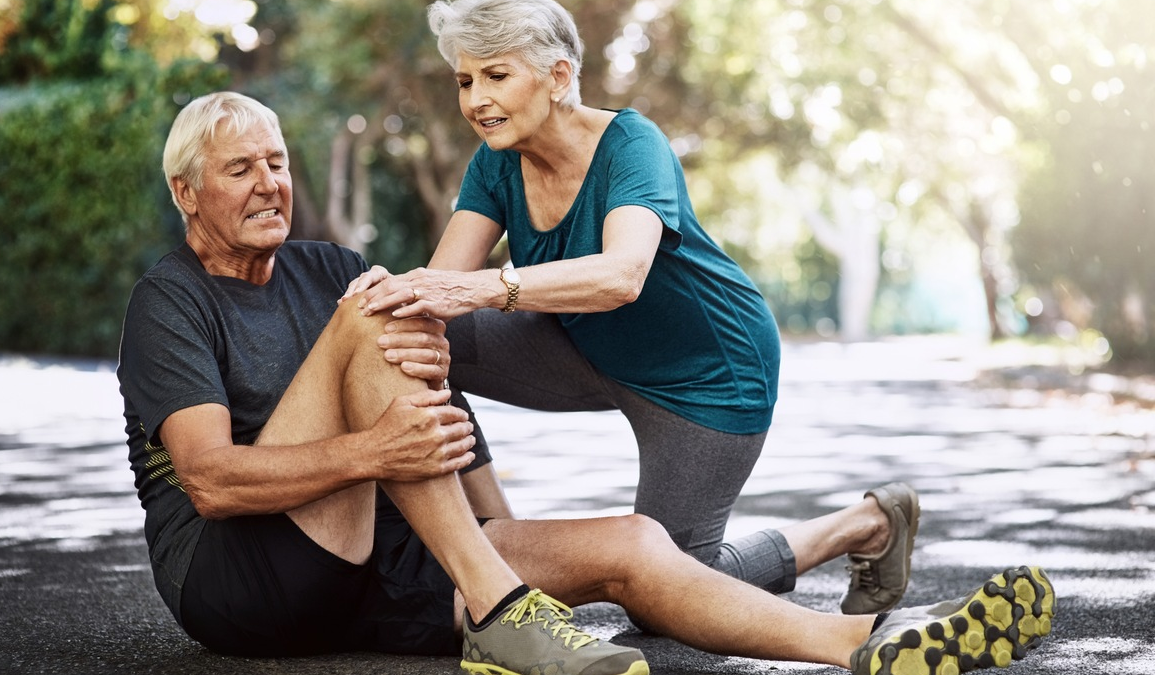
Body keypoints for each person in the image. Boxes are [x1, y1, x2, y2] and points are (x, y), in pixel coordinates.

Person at [118, 91, 1056, 675]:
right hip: (240, 582)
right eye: (239, 169)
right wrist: (374, 454)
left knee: (639, 543)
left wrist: (499, 534)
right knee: (391, 309)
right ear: (187, 193)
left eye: (277, 163)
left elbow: (432, 405)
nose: (269, 184)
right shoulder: (171, 300)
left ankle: (866, 644)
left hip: (383, 567)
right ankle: (498, 610)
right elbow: (211, 481)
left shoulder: (327, 267)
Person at [347, 0, 910, 616]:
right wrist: (395, 292)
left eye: (496, 76)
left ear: (559, 77)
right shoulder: (496, 163)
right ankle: (488, 543)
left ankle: (865, 524)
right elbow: (440, 291)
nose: (476, 98)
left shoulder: (632, 145)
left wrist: (475, 289)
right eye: (465, 80)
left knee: (663, 600)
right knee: (407, 339)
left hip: (708, 376)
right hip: (591, 348)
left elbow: (622, 276)